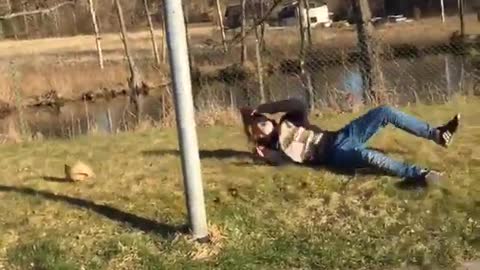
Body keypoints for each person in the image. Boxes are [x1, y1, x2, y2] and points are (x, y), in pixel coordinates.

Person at [239, 98, 460, 183]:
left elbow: (298, 103)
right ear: (256, 136)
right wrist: (270, 158)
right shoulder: (271, 150)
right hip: (334, 156)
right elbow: (293, 165)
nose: (260, 127)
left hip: (341, 136)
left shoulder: (289, 120)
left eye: (261, 121)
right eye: (256, 129)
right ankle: (420, 175)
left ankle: (437, 135)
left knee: (385, 111)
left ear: (268, 119)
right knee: (367, 156)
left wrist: (263, 108)